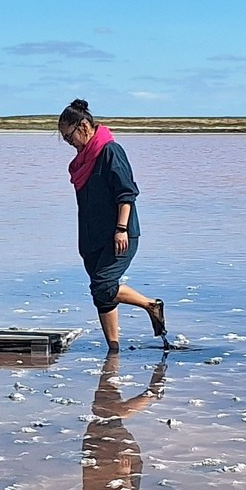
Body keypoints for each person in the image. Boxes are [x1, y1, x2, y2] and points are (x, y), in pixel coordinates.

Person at [58, 98, 171, 352]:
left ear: (84, 127)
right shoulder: (81, 162)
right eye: (65, 139)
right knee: (101, 295)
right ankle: (114, 349)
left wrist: (121, 230)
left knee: (103, 286)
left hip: (119, 234)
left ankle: (151, 305)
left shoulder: (110, 151)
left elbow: (126, 193)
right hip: (91, 238)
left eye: (69, 136)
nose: (69, 143)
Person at [70, 356, 166, 490]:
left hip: (100, 470)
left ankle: (111, 363)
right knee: (109, 414)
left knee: (102, 407)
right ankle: (151, 394)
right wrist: (123, 475)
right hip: (117, 468)